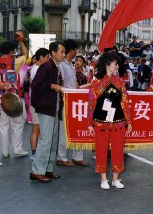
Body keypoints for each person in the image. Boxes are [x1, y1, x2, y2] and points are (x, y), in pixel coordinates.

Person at [87, 52, 132, 189]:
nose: (117, 66)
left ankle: (116, 179)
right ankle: (103, 179)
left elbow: (124, 102)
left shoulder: (119, 82)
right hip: (101, 122)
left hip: (118, 121)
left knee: (118, 149)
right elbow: (91, 104)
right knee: (101, 150)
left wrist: (129, 122)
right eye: (115, 64)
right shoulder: (96, 82)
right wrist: (89, 124)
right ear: (107, 64)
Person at [30, 41, 65, 183]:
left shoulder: (55, 67)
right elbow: (35, 85)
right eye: (61, 52)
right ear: (53, 53)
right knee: (45, 140)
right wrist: (53, 86)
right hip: (46, 108)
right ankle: (37, 171)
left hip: (53, 107)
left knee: (53, 140)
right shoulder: (47, 66)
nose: (63, 54)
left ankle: (48, 169)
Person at [0, 32, 29, 158]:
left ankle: (4, 151)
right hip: (13, 97)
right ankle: (17, 150)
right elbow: (26, 55)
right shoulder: (15, 62)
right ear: (11, 51)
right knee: (17, 124)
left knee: (3, 125)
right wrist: (21, 41)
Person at [57, 39, 89, 167]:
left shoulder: (71, 65)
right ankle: (62, 157)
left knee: (77, 128)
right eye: (76, 50)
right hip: (66, 101)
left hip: (75, 101)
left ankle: (77, 157)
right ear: (72, 50)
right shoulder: (62, 65)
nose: (77, 53)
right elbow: (61, 84)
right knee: (64, 130)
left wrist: (80, 90)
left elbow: (74, 84)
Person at [29, 48, 50, 161]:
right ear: (41, 57)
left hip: (37, 102)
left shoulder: (36, 68)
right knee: (37, 128)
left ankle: (36, 152)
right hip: (37, 103)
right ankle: (34, 152)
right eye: (47, 57)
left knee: (38, 129)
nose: (48, 59)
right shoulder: (37, 68)